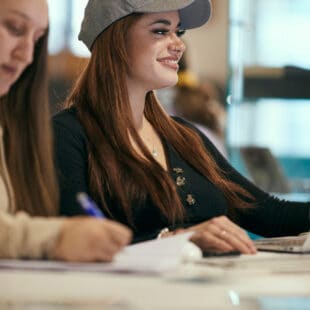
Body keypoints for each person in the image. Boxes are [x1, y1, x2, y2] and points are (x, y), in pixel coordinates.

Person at [53, 0, 310, 255]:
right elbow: (76, 236)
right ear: (116, 38)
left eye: (179, 32)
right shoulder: (67, 134)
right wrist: (174, 239)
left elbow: (273, 215)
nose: (179, 45)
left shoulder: (184, 136)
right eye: (161, 31)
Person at [0, 0, 131, 261]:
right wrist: (54, 236)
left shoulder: (12, 126)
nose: (26, 55)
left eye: (37, 39)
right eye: (15, 29)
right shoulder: (68, 132)